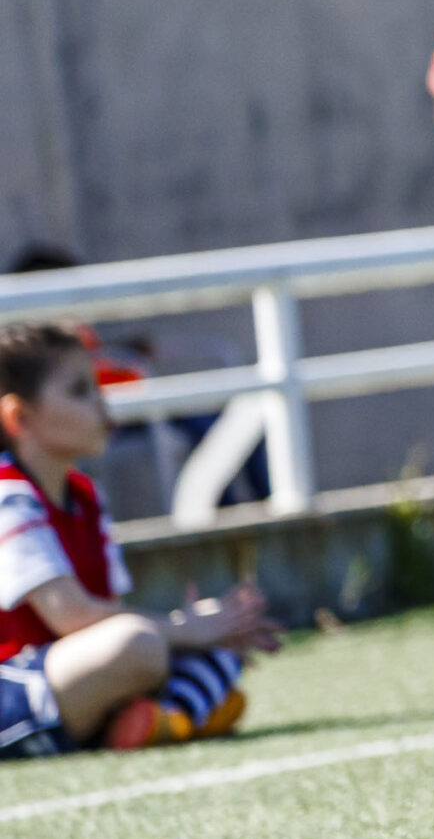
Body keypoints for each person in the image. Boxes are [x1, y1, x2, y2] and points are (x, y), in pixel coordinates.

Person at [1, 323, 280, 757]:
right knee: (139, 644)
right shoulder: (8, 495)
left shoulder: (87, 498)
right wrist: (185, 629)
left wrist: (204, 627)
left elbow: (106, 613)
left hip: (75, 674)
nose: (101, 401)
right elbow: (73, 617)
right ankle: (180, 713)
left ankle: (156, 720)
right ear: (20, 417)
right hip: (16, 685)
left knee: (213, 641)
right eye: (79, 390)